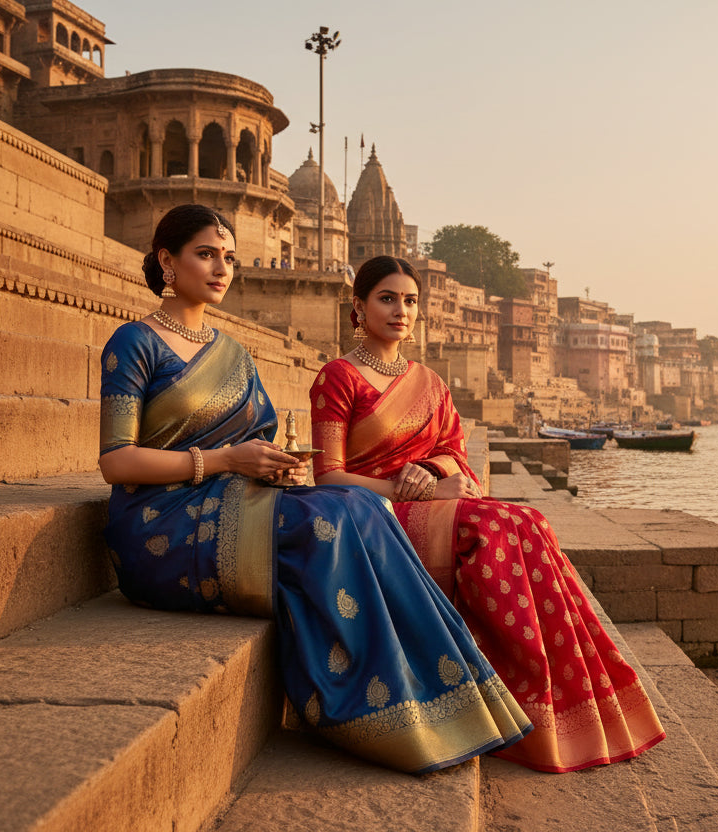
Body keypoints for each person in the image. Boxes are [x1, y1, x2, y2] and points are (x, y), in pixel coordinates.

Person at [98, 206, 530, 774]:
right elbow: (115, 462)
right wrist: (226, 458)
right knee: (321, 524)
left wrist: (270, 466)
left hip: (232, 499)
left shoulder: (233, 352)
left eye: (228, 257)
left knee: (356, 503)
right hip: (158, 523)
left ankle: (442, 689)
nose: (222, 268)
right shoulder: (133, 343)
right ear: (166, 261)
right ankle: (360, 705)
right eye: (205, 255)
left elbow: (257, 441)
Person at [309, 255, 666, 773]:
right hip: (375, 512)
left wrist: (431, 468)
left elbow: (454, 450)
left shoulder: (429, 383)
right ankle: (519, 699)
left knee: (533, 522)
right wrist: (406, 488)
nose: (401, 310)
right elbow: (327, 476)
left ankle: (557, 698)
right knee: (494, 527)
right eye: (387, 299)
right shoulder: (337, 378)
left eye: (410, 301)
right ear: (358, 308)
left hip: (429, 500)